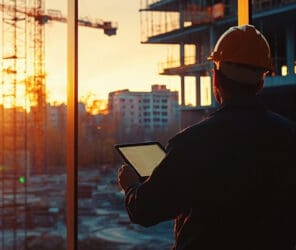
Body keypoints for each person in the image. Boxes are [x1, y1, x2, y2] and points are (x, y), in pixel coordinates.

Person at [118, 24, 296, 250]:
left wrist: (131, 186)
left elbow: (145, 211)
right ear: (260, 83)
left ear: (216, 80)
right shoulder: (289, 136)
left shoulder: (192, 143)